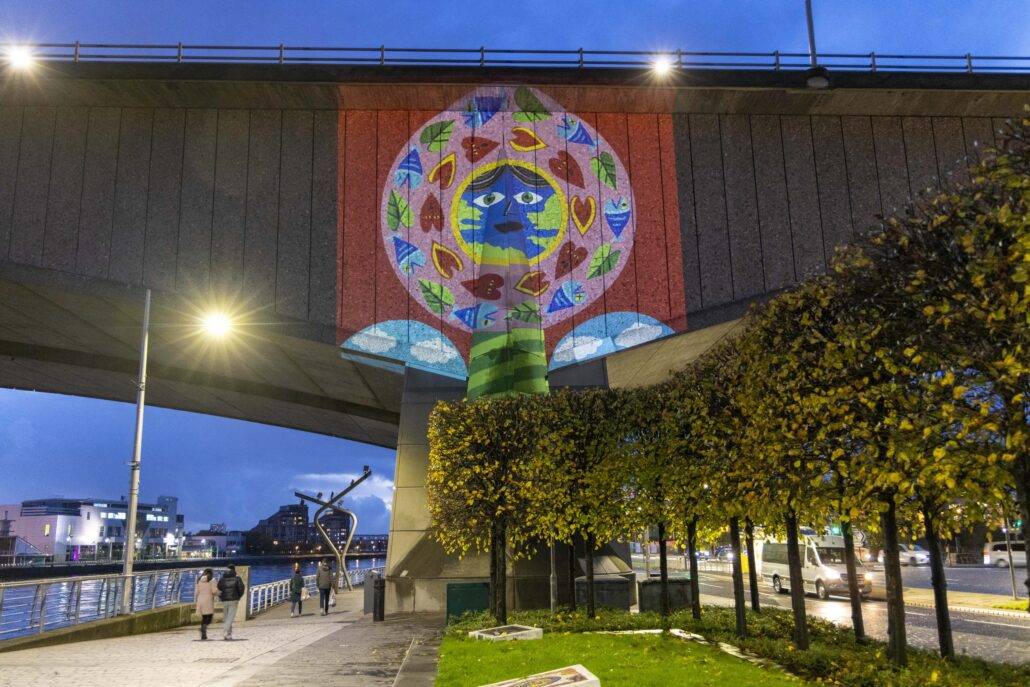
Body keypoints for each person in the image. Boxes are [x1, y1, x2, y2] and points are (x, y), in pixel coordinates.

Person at [217, 564, 245, 640]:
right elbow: (241, 588)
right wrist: (238, 596)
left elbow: (219, 588)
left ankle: (228, 634)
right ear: (234, 570)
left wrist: (221, 596)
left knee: (226, 617)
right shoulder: (237, 578)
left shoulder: (222, 578)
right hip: (234, 600)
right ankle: (225, 632)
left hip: (225, 600)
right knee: (230, 617)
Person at [195, 568, 218, 640]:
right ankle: (203, 629)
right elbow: (214, 591)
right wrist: (219, 593)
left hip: (200, 600)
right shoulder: (212, 580)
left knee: (204, 617)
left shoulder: (199, 580)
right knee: (209, 617)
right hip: (208, 600)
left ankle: (203, 634)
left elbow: (196, 592)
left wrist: (197, 600)